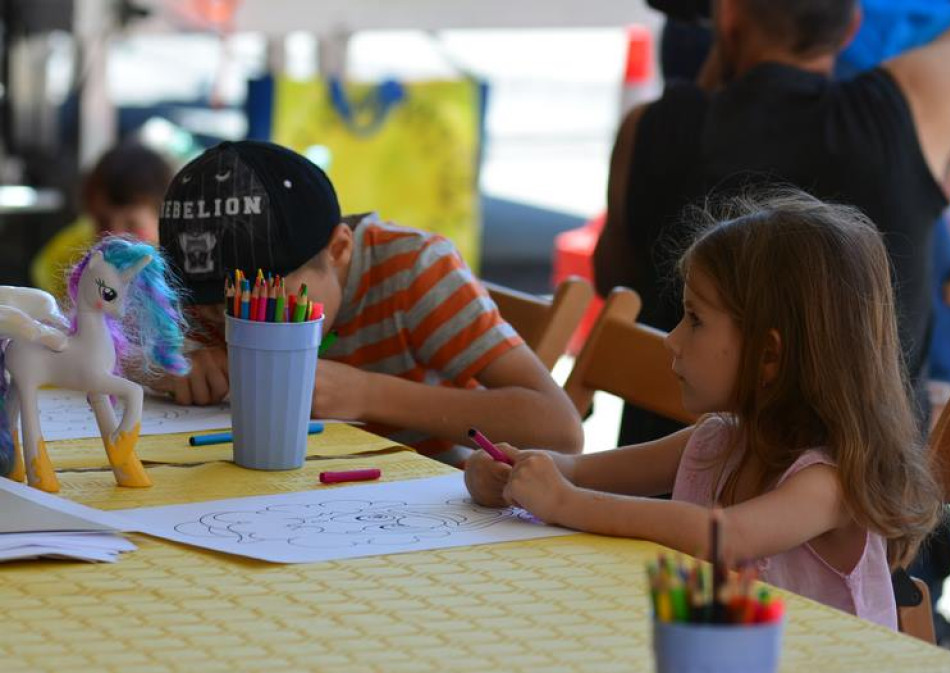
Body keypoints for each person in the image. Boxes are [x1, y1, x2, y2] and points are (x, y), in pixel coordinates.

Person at [467, 192, 942, 626]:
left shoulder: (830, 482)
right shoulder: (715, 442)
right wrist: (512, 471)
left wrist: (565, 503)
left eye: (695, 319)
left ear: (769, 354)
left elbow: (724, 537)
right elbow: (577, 471)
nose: (672, 339)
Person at [596, 0, 950, 442]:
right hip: (859, 481)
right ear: (852, 26)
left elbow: (615, 284)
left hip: (655, 474)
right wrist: (935, 197)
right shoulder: (901, 114)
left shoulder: (649, 129)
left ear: (727, 16)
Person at [155, 140, 583, 465]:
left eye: (265, 299)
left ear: (339, 250)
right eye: (214, 309)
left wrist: (368, 394)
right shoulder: (202, 292)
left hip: (417, 505)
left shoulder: (414, 270)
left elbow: (560, 430)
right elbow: (119, 351)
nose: (233, 319)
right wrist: (166, 368)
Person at [31, 141, 173, 297]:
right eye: (103, 222)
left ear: (165, 221)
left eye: (131, 225)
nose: (114, 237)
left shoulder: (176, 263)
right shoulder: (67, 256)